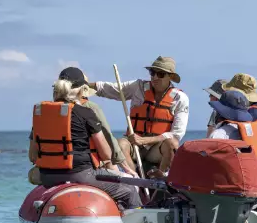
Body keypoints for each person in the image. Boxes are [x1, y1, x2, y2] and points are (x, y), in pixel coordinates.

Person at [28, 78, 141, 210]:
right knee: (130, 190)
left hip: (47, 177)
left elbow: (32, 156)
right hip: (81, 175)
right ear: (78, 93)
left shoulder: (41, 117)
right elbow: (106, 154)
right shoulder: (86, 113)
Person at [86, 56, 188, 178]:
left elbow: (177, 134)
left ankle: (161, 178)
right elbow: (113, 89)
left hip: (157, 148)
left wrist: (145, 140)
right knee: (120, 144)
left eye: (160, 74)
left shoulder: (180, 98)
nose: (155, 77)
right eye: (152, 73)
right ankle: (135, 180)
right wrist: (86, 85)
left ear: (170, 77)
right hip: (134, 144)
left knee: (172, 144)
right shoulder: (138, 87)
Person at [56, 66, 136, 176]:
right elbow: (108, 140)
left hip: (53, 168)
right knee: (127, 186)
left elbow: (33, 155)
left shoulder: (47, 112)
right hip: (85, 168)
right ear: (83, 89)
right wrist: (126, 168)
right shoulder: (90, 108)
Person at [208, 89, 257, 189]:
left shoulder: (219, 134)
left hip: (231, 188)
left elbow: (209, 165)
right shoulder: (254, 132)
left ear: (220, 112)